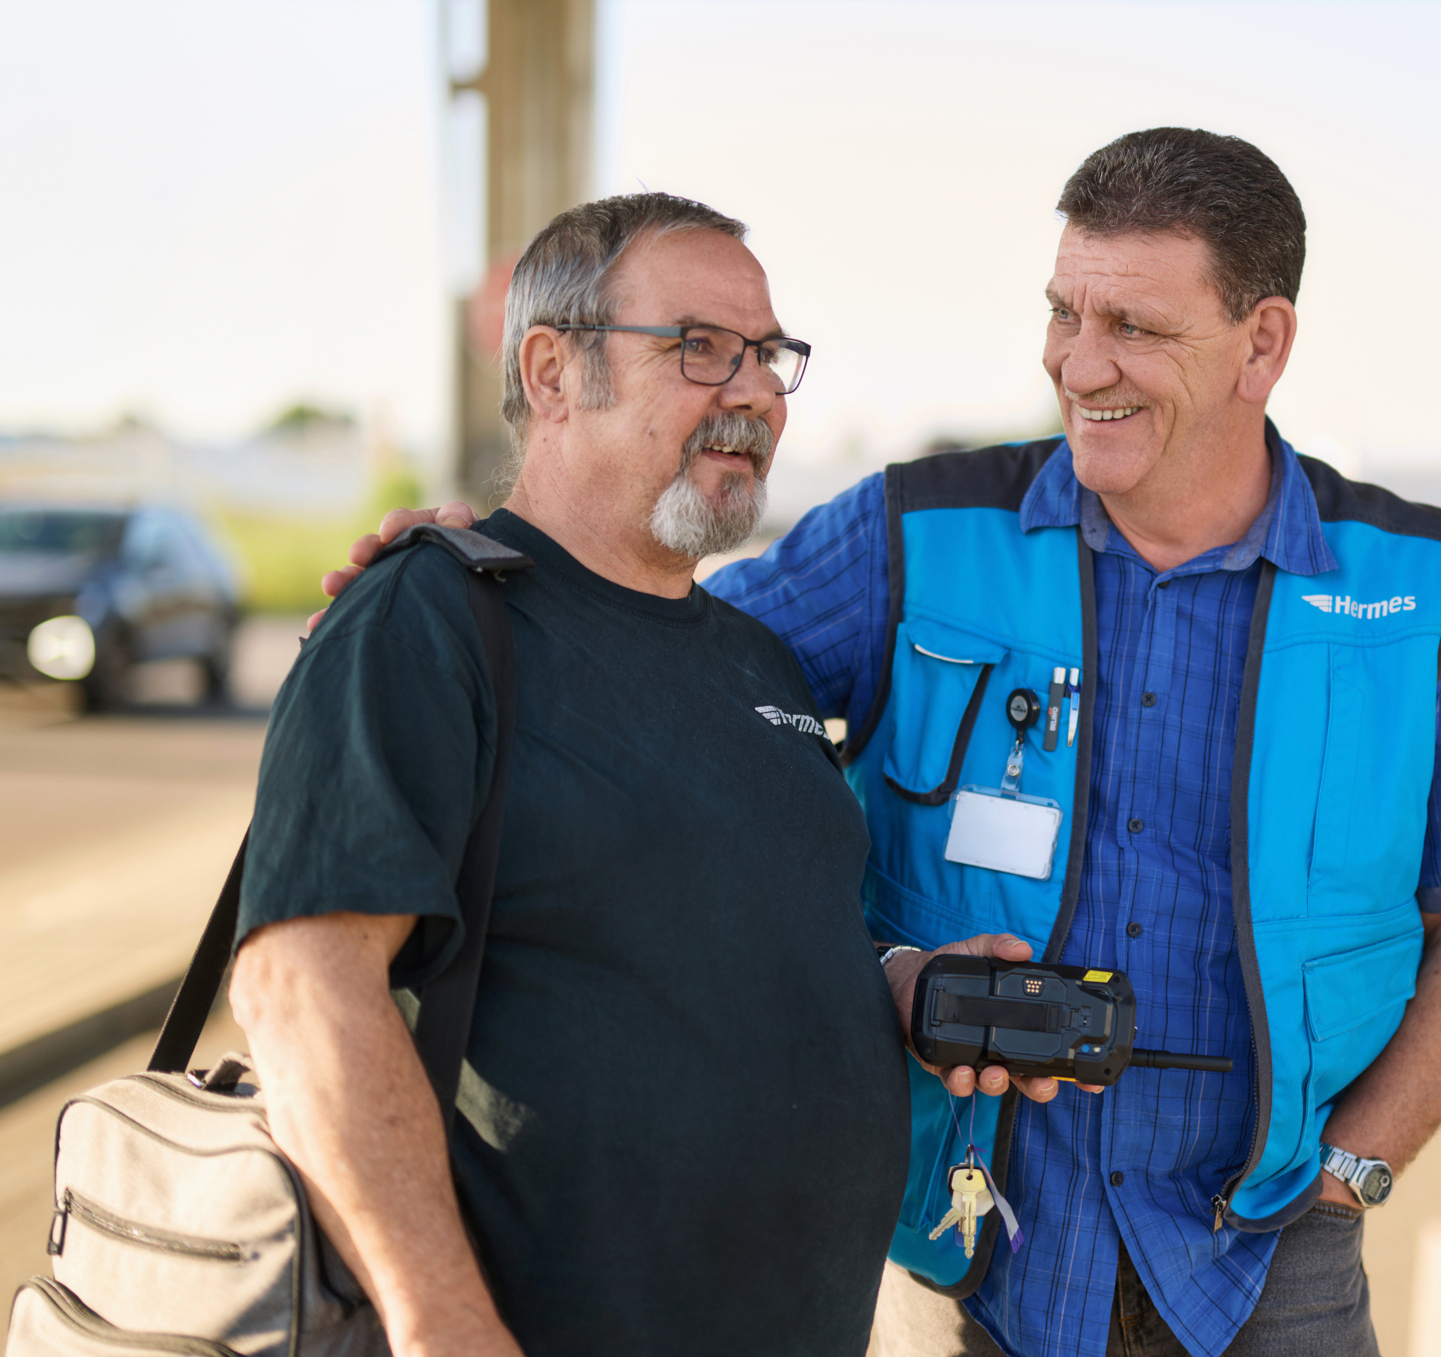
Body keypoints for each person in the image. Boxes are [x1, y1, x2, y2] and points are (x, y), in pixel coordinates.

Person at [336, 129, 1441, 1357]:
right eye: (1063, 313)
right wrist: (491, 574)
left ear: (1262, 344)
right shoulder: (912, 537)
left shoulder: (1411, 588)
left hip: (1271, 1268)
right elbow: (646, 669)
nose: (1079, 362)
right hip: (973, 1259)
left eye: (1133, 326)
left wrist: (1353, 1173)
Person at [232, 192, 947, 1357]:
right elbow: (299, 987)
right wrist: (443, 1325)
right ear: (553, 373)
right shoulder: (430, 621)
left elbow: (719, 947)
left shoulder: (759, 660)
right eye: (700, 346)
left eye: (768, 354)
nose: (756, 392)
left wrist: (896, 983)